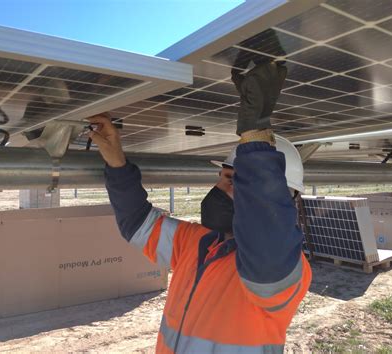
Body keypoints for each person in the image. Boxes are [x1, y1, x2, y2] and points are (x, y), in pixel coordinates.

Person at [88, 60, 312, 354]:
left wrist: (255, 134)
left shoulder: (284, 271)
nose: (219, 188)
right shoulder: (196, 243)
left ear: (275, 193)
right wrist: (116, 164)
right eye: (221, 177)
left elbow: (266, 243)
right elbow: (137, 224)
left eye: (234, 181)